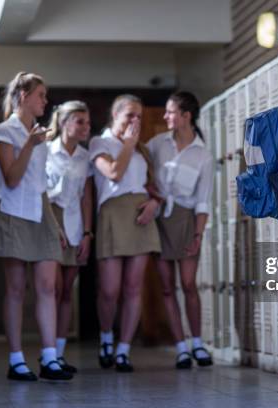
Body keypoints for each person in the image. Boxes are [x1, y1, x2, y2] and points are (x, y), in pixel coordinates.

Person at [0, 72, 73, 381]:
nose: (45, 101)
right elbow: (12, 178)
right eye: (41, 95)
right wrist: (30, 145)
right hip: (14, 212)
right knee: (15, 289)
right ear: (23, 96)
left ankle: (50, 357)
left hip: (41, 212)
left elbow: (40, 183)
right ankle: (16, 360)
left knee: (48, 286)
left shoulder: (39, 134)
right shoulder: (6, 131)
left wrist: (56, 224)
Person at [89, 94, 161, 372]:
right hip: (112, 213)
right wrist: (129, 143)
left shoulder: (142, 149)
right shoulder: (101, 143)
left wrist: (155, 203)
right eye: (130, 114)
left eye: (139, 116)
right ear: (115, 114)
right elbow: (114, 173)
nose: (135, 121)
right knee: (109, 289)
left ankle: (123, 349)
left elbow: (154, 186)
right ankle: (106, 337)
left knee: (133, 288)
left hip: (140, 214)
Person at [147, 91, 214, 369]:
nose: (166, 117)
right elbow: (139, 171)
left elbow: (203, 201)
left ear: (186, 116)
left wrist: (198, 235)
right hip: (160, 218)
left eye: (171, 112)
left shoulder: (203, 155)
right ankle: (181, 348)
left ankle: (197, 344)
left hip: (187, 220)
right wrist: (150, 193)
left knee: (188, 284)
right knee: (166, 288)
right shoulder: (156, 144)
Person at [45, 100, 94, 373]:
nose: (86, 127)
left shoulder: (85, 157)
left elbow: (86, 197)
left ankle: (59, 354)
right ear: (64, 123)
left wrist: (87, 233)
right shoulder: (45, 151)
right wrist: (55, 228)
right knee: (52, 289)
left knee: (67, 292)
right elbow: (41, 193)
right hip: (50, 220)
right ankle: (47, 352)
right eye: (80, 121)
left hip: (75, 224)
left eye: (87, 122)